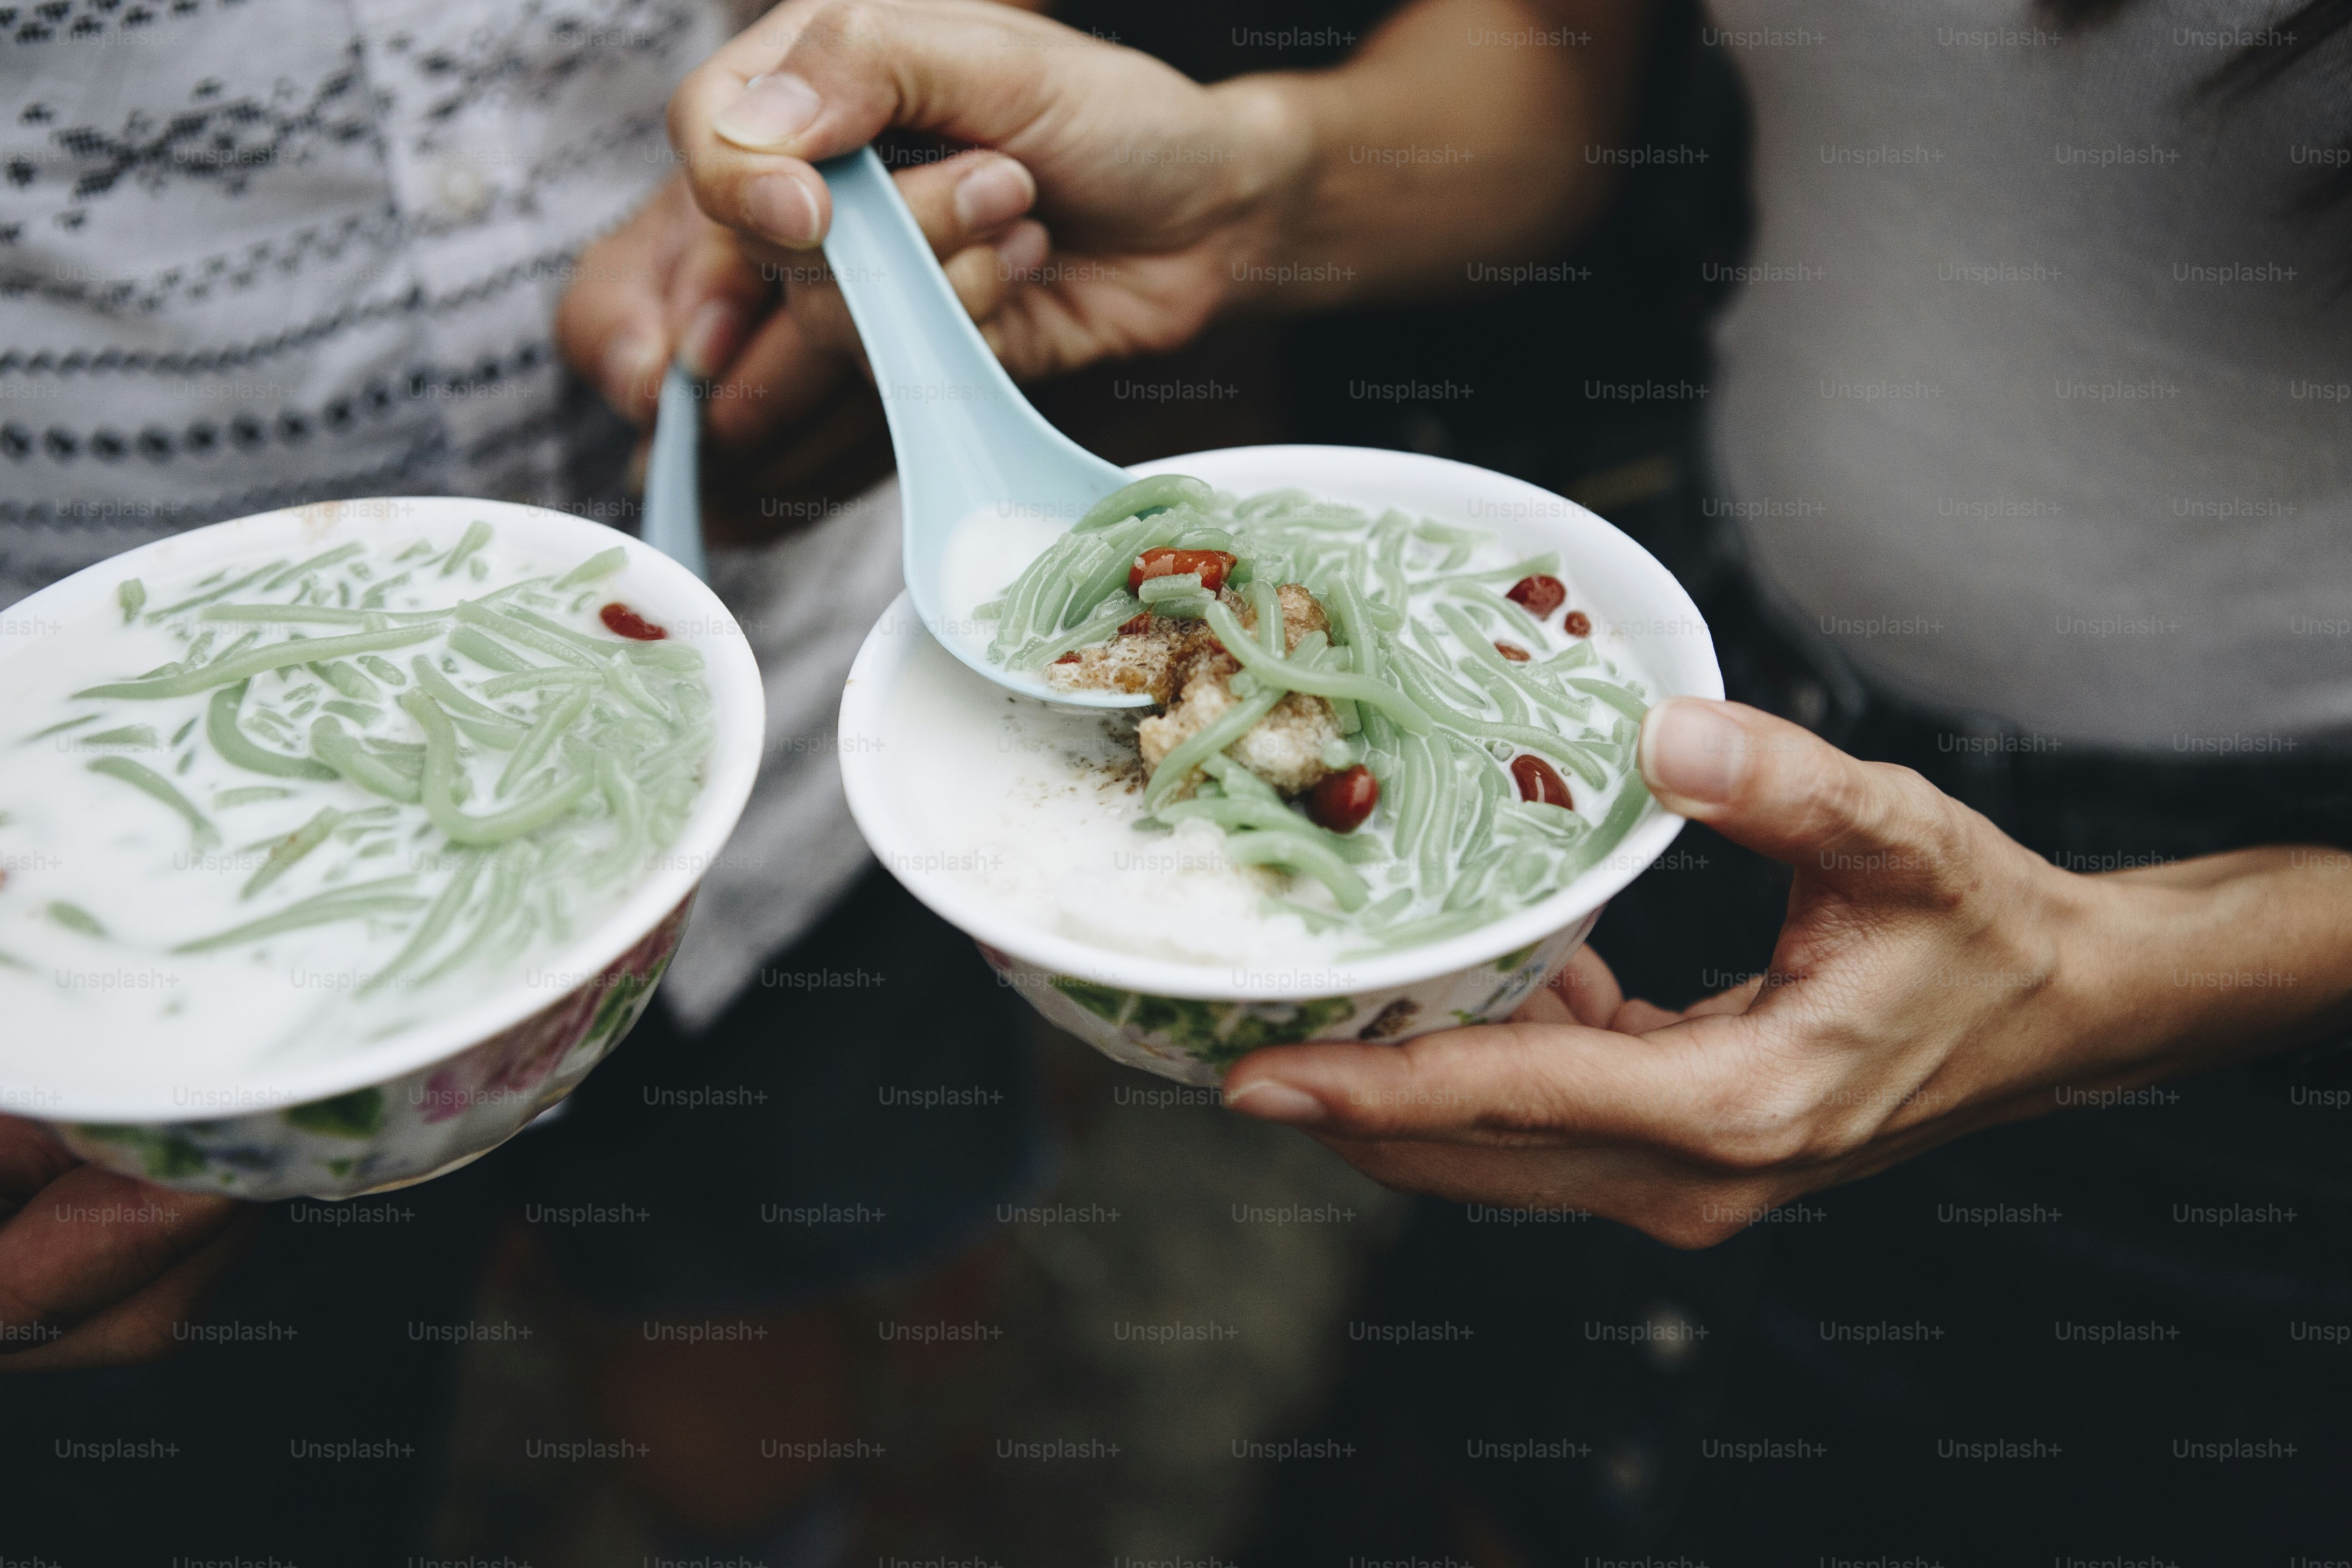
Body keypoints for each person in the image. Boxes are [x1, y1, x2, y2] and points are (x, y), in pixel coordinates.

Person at [633, 0, 2352, 1552]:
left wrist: (2125, 972)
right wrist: (1257, 176)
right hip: (1686, 714)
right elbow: (1565, 56)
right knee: (1533, 1408)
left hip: (2259, 930)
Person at [0, 1, 1046, 1559]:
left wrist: (822, 130)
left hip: (788, 742)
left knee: (750, 1279)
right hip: (141, 896)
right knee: (222, 1443)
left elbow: (904, 43)